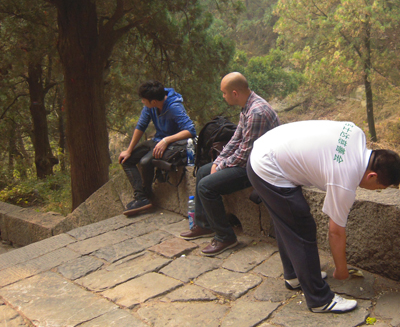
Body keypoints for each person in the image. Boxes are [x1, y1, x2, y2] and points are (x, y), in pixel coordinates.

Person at [246, 120, 400, 313]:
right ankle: (319, 299)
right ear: (371, 176)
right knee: (301, 227)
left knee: (288, 221)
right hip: (268, 167)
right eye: (380, 188)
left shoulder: (356, 133)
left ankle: (295, 275)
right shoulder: (346, 177)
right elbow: (335, 232)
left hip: (268, 146)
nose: (377, 191)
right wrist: (341, 269)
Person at [180, 72, 279, 256]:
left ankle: (225, 237)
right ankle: (204, 224)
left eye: (224, 93)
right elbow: (235, 140)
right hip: (249, 161)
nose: (223, 97)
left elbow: (245, 154)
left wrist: (222, 166)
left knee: (206, 186)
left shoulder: (257, 112)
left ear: (234, 93)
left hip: (260, 167)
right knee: (202, 172)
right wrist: (218, 161)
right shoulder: (247, 107)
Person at [118, 80, 196, 216]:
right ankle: (141, 197)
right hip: (157, 140)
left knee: (144, 162)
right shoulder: (150, 106)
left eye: (143, 100)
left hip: (173, 145)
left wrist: (166, 140)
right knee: (127, 160)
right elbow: (141, 126)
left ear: (153, 102)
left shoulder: (173, 107)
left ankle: (146, 195)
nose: (142, 102)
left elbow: (190, 130)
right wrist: (129, 150)